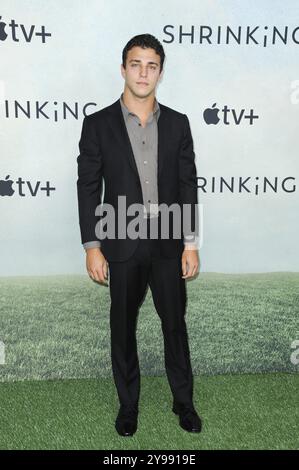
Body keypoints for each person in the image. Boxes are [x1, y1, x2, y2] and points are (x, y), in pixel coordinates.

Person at [77, 33, 201, 436]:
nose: (143, 73)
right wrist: (92, 246)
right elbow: (88, 187)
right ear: (123, 69)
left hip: (168, 243)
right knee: (122, 327)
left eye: (152, 65)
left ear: (160, 72)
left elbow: (187, 184)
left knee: (174, 326)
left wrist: (190, 243)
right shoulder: (97, 125)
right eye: (136, 64)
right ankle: (128, 406)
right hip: (121, 242)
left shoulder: (179, 123)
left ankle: (184, 403)